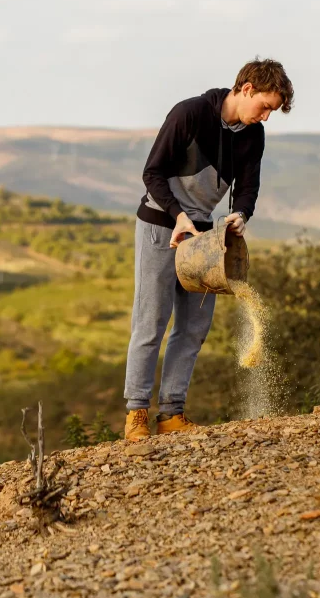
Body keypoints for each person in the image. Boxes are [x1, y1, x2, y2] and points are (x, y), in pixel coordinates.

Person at [123, 58, 294, 441]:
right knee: (151, 322)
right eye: (265, 106)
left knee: (194, 327)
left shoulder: (253, 135)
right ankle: (136, 414)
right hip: (160, 225)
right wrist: (178, 216)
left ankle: (171, 414)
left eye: (272, 111)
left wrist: (241, 214)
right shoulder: (189, 113)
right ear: (247, 89)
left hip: (205, 237)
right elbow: (152, 172)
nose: (266, 117)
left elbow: (248, 187)